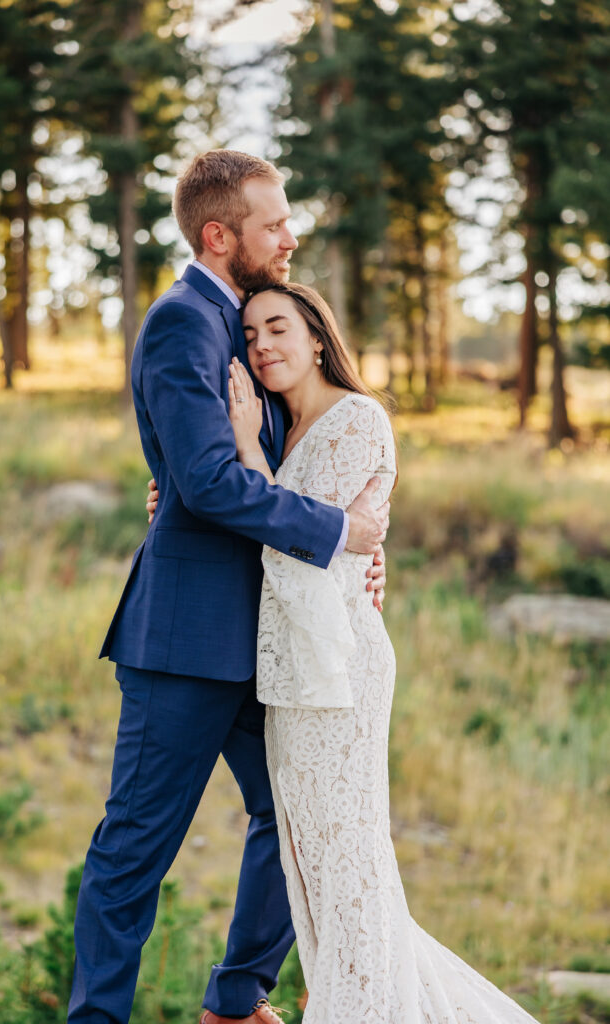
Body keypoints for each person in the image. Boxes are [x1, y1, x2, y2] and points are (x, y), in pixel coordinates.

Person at [68, 150, 391, 1024]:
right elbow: (208, 483)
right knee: (135, 847)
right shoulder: (182, 323)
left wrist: (349, 545)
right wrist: (336, 536)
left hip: (270, 633)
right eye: (273, 224)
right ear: (221, 236)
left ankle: (236, 997)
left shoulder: (250, 321)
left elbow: (262, 465)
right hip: (186, 638)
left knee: (294, 819)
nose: (290, 238)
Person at [223, 281, 541, 1024]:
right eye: (248, 337)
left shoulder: (356, 420)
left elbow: (294, 552)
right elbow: (276, 523)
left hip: (337, 672)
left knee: (350, 864)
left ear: (316, 336)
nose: (261, 346)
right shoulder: (278, 428)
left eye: (277, 329)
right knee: (319, 871)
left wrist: (242, 459)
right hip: (291, 673)